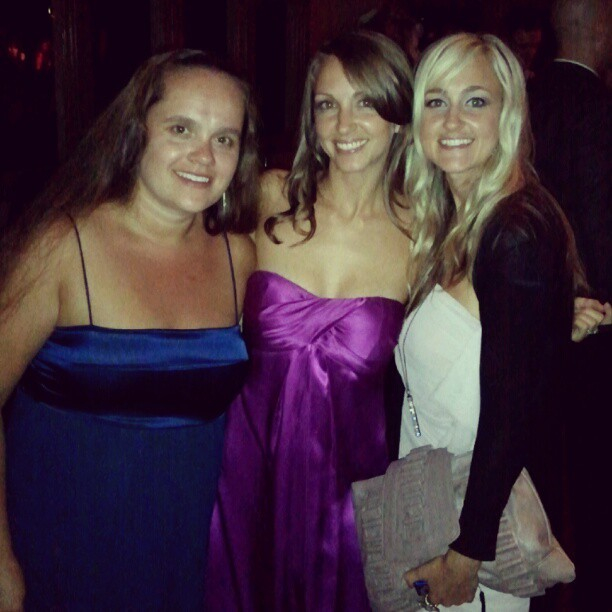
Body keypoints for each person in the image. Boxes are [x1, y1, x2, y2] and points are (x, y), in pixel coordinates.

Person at [0, 49, 258, 610]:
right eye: (181, 128)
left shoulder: (238, 256)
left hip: (187, 543)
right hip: (62, 539)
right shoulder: (62, 245)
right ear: (136, 131)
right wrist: (0, 558)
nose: (203, 156)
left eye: (224, 138)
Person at [205, 31, 413, 611]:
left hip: (349, 488)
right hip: (245, 466)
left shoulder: (423, 232)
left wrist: (556, 307)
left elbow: (478, 309)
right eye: (327, 104)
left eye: (365, 102)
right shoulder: (269, 196)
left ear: (399, 116)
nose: (344, 124)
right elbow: (177, 247)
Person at [397, 33, 584, 610]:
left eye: (475, 100)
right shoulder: (461, 217)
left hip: (481, 530)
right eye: (436, 101)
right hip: (443, 500)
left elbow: (511, 415)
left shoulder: (514, 230)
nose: (452, 120)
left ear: (508, 112)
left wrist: (467, 553)